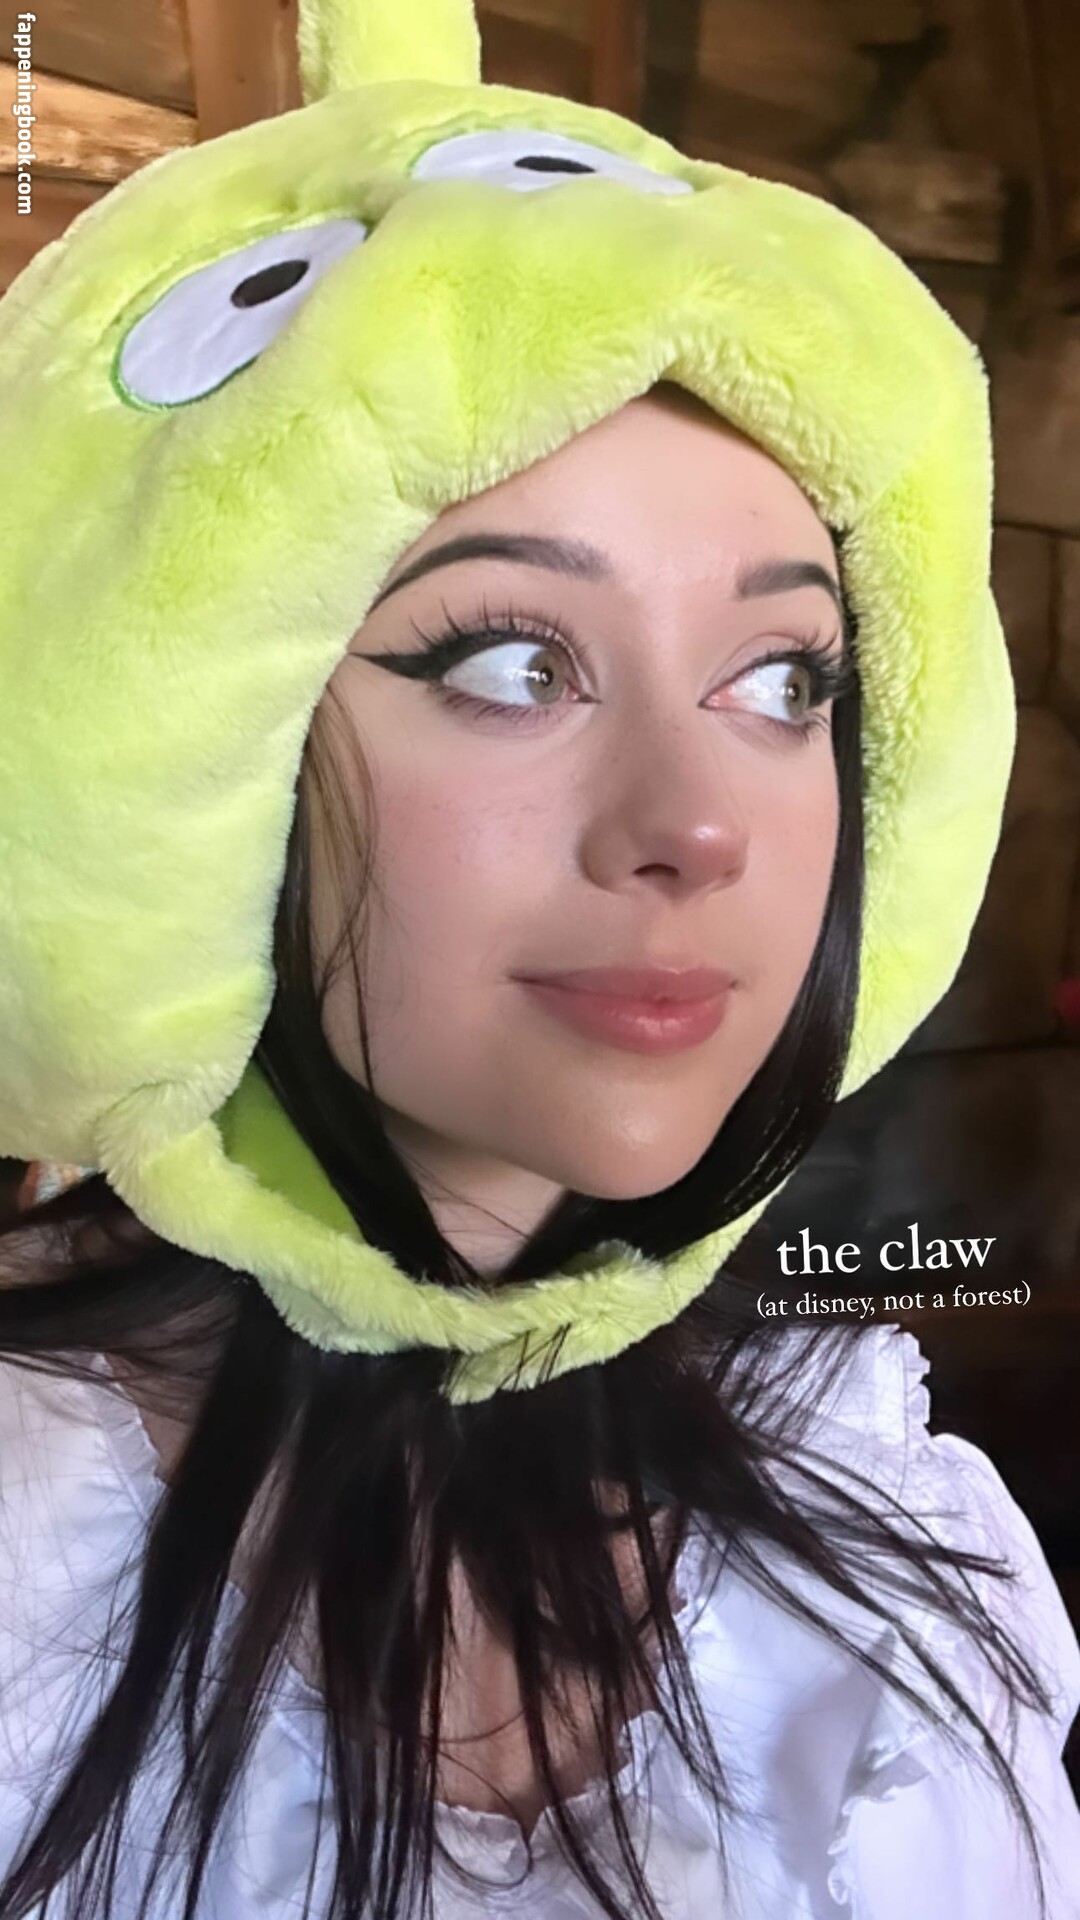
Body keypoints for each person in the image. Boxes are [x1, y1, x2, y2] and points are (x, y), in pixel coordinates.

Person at [0, 1, 1077, 1916]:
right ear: (160, 752)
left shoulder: (893, 1517)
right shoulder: (27, 1561)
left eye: (784, 679)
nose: (703, 826)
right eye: (511, 659)